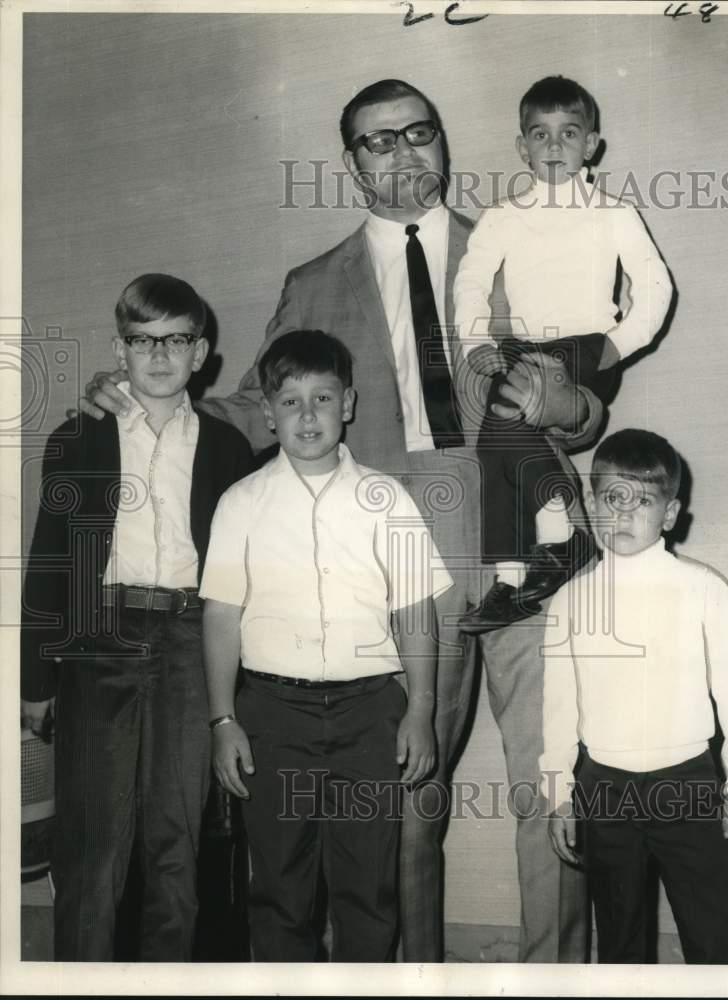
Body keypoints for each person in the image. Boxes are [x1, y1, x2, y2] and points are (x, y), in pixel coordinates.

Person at [80, 79, 603, 963]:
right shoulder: (314, 283)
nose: (402, 152)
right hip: (401, 548)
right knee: (407, 801)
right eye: (377, 140)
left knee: (554, 788)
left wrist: (567, 400)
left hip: (528, 542)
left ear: (443, 143)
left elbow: (588, 407)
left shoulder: (520, 250)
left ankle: (553, 975)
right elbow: (255, 406)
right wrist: (142, 394)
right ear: (353, 162)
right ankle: (413, 974)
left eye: (419, 133)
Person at [21, 273, 254, 961]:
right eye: (142, 340)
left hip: (189, 638)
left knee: (177, 846)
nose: (159, 354)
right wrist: (36, 681)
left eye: (176, 339)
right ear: (118, 351)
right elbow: (51, 561)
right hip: (101, 639)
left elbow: (241, 577)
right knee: (93, 848)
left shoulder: (226, 448)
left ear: (201, 351)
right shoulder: (78, 438)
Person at [200, 329, 451, 962]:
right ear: (267, 413)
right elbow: (222, 617)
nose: (306, 415)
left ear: (349, 404)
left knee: (368, 887)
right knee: (280, 888)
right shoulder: (242, 503)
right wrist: (224, 718)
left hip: (370, 714)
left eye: (321, 398)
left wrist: (420, 710)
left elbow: (417, 610)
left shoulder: (387, 500)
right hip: (272, 717)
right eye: (289, 401)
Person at [455, 76, 673, 633]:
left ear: (591, 144)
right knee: (494, 444)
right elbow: (471, 281)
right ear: (522, 147)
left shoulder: (614, 213)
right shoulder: (504, 215)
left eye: (568, 133)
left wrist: (617, 347)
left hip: (586, 349)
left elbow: (656, 288)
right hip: (524, 347)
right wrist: (478, 344)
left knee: (506, 413)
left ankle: (553, 546)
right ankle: (515, 574)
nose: (554, 147)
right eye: (540, 135)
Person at [539, 428, 728, 963]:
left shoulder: (705, 590)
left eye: (644, 501)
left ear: (670, 512)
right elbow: (559, 711)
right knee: (619, 938)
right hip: (603, 788)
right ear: (590, 502)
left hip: (688, 783)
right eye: (613, 498)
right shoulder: (569, 601)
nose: (626, 514)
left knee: (717, 936)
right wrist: (559, 792)